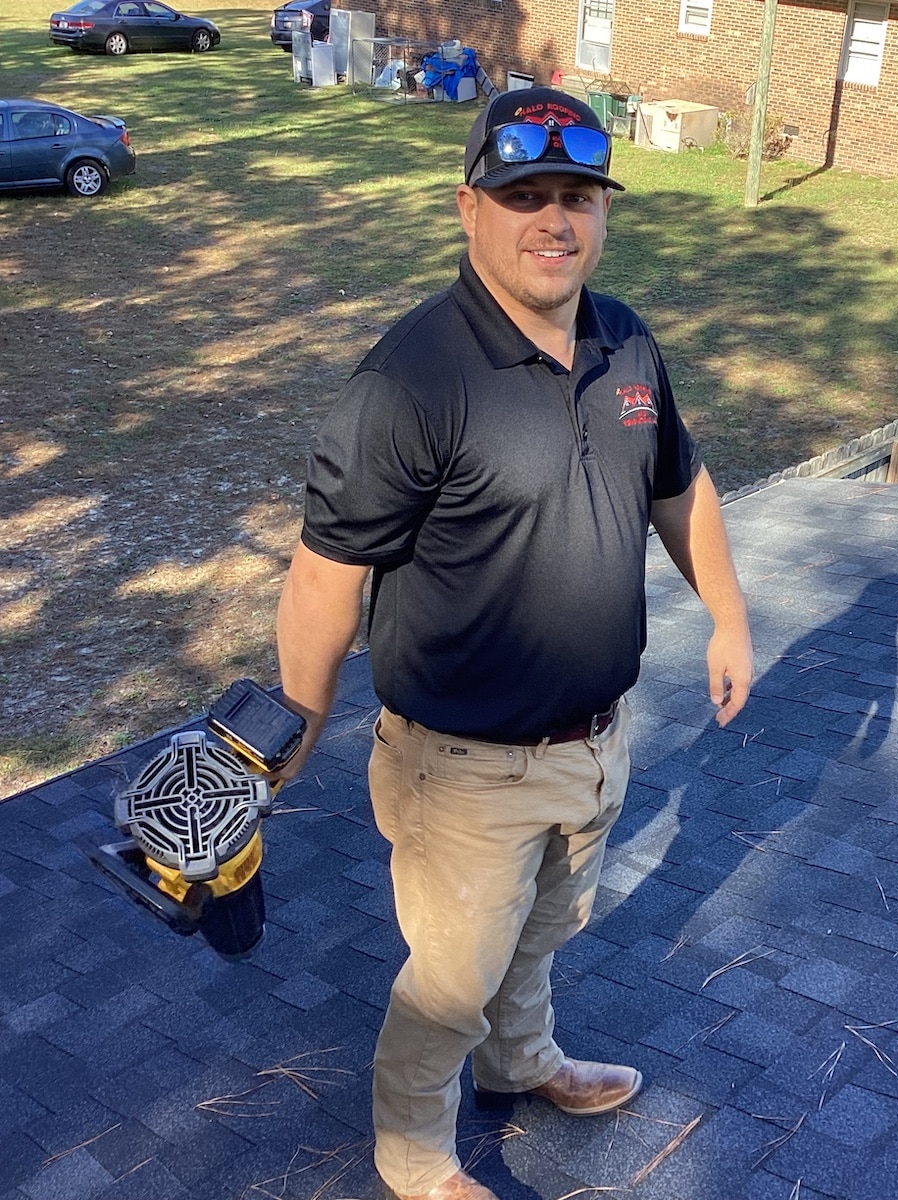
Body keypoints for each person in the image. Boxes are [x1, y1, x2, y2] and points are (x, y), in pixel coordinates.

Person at [274, 86, 754, 1200]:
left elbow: (678, 486)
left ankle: (524, 1059)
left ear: (603, 210)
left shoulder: (625, 338)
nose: (554, 220)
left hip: (595, 742)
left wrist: (728, 616)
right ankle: (415, 1156)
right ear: (469, 209)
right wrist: (292, 727)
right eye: (524, 196)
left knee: (542, 934)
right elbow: (324, 573)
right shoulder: (413, 379)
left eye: (576, 195)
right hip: (462, 771)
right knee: (449, 983)